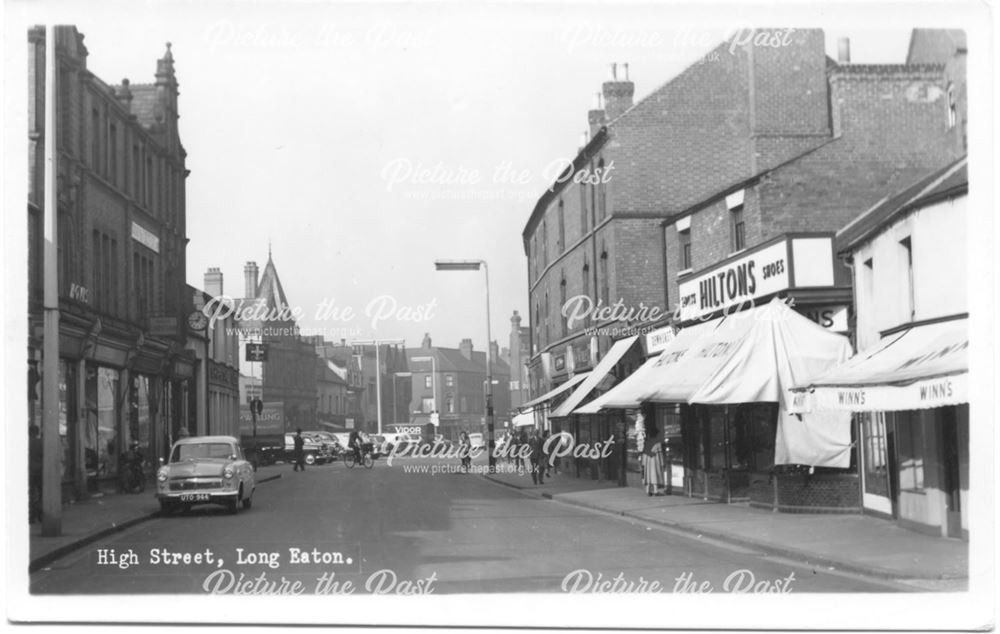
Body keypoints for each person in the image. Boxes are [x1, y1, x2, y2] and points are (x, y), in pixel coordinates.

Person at [640, 406, 666, 496]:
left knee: (648, 476)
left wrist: (643, 463)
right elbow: (660, 455)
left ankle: (648, 490)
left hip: (647, 461)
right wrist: (662, 464)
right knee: (655, 475)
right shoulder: (657, 443)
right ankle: (655, 490)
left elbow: (644, 453)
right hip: (655, 462)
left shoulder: (647, 443)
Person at [29, 424, 43, 523]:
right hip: (40, 471)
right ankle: (39, 514)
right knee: (40, 494)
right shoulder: (40, 443)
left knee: (30, 493)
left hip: (29, 472)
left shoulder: (25, 443)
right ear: (37, 432)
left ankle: (32, 515)